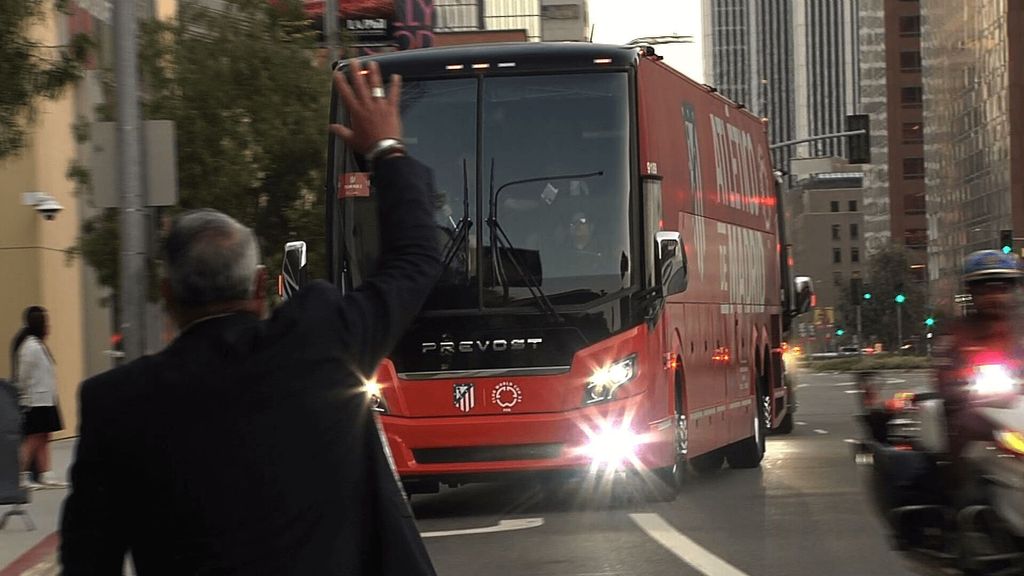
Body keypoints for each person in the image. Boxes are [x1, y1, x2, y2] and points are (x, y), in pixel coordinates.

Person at [60, 59, 441, 575]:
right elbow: (415, 259)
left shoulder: (116, 404)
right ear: (261, 286)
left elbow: (88, 560)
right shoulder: (322, 340)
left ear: (167, 295)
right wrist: (385, 150)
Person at [932, 249, 1023, 464]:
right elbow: (943, 378)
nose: (994, 296)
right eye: (984, 290)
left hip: (1020, 408)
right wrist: (958, 387)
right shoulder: (955, 334)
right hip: (976, 411)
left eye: (1001, 289)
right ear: (971, 293)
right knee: (964, 429)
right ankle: (958, 478)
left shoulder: (1020, 329)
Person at [12, 306, 65, 489]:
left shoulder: (38, 345)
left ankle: (45, 473)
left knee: (44, 436)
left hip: (46, 399)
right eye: (45, 323)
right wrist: (23, 397)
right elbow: (23, 376)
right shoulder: (30, 347)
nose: (48, 326)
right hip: (34, 400)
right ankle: (21, 474)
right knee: (33, 438)